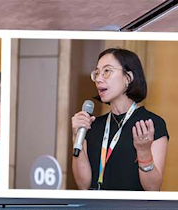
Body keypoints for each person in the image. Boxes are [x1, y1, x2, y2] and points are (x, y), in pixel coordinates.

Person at [71, 48, 168, 191]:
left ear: (128, 78)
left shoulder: (151, 124)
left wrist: (144, 152)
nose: (98, 79)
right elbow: (83, 185)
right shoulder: (93, 125)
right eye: (97, 73)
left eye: (107, 71)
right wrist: (76, 136)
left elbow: (152, 188)